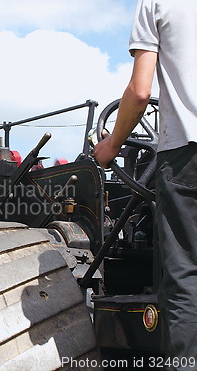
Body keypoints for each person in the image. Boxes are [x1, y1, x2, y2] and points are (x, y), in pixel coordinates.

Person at [94, 0, 197, 368]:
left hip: (186, 154)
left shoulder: (156, 2)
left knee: (184, 277)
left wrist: (111, 145)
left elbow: (140, 92)